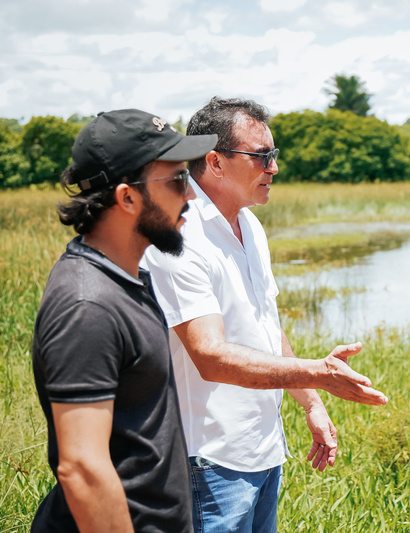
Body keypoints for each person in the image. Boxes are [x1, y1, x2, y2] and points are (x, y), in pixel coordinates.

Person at [142, 96, 388, 533]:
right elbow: (209, 356)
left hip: (262, 448)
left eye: (273, 154)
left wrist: (311, 402)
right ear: (215, 162)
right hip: (208, 458)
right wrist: (317, 373)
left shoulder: (250, 224)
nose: (274, 167)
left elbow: (265, 325)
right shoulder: (178, 234)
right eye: (261, 156)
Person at [31, 109, 218, 532]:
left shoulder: (129, 280)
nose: (190, 195)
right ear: (127, 198)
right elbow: (82, 469)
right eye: (177, 180)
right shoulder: (87, 305)